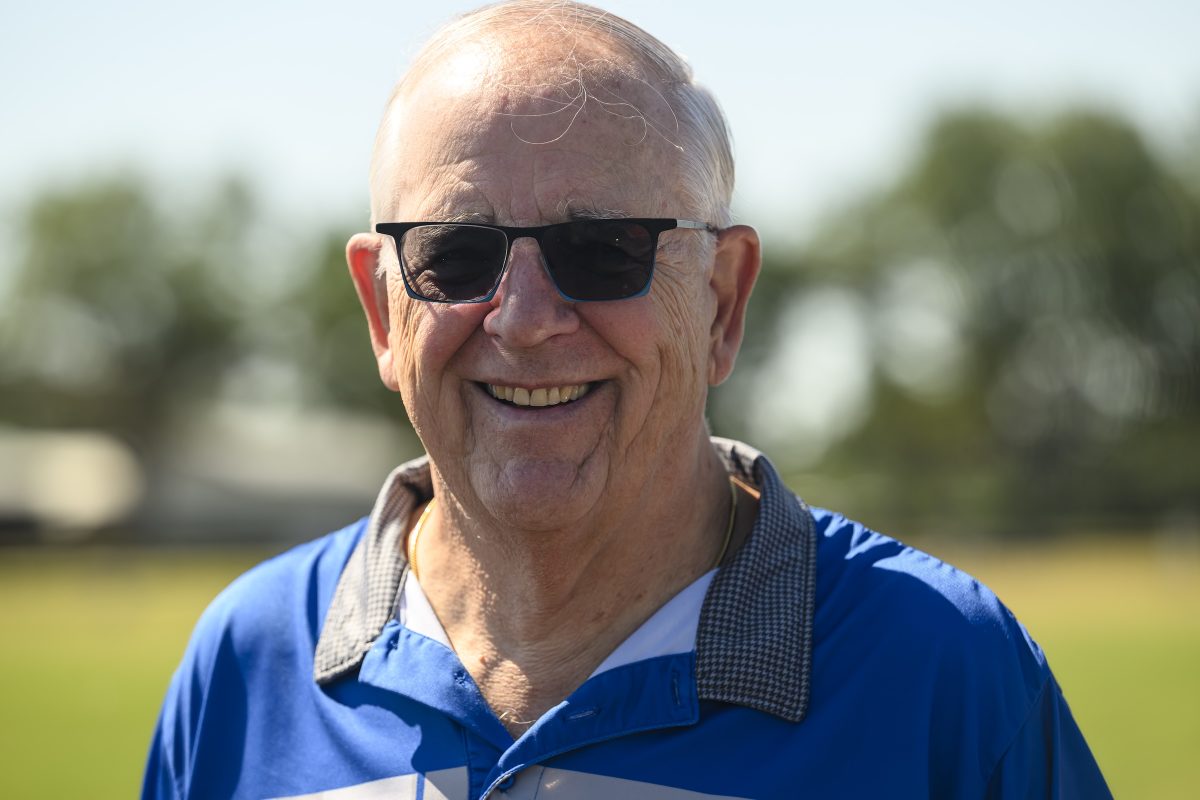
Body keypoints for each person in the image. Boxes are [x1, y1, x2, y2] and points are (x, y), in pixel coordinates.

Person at [142, 2, 1111, 798]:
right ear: (381, 310)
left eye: (602, 250)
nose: (524, 319)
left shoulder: (943, 674)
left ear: (723, 300)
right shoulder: (245, 664)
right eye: (457, 255)